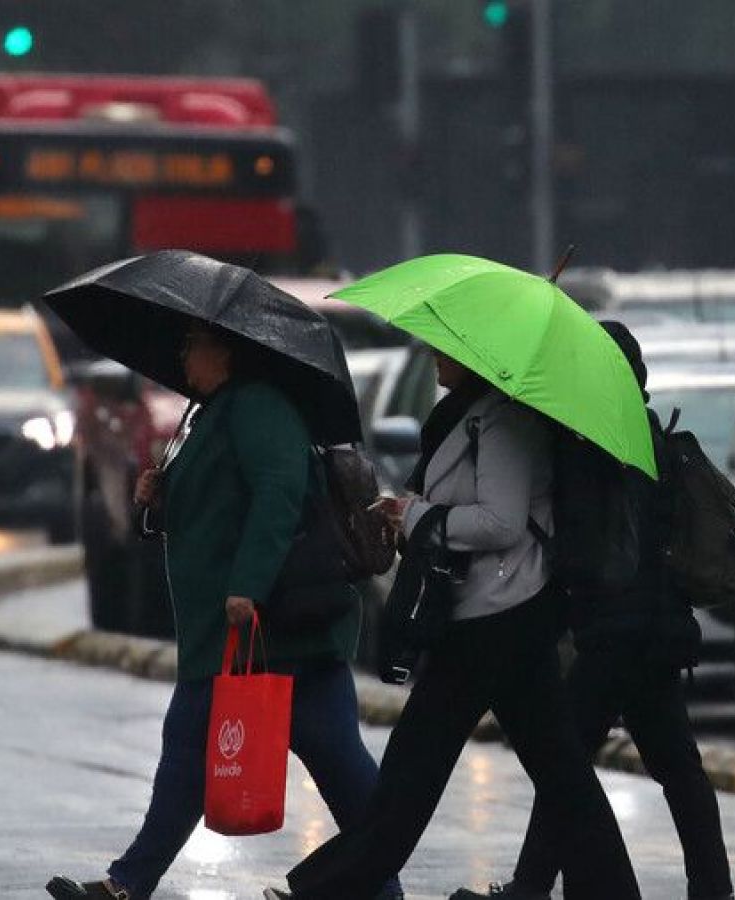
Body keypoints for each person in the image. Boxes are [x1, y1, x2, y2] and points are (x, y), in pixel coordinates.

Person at [268, 349, 641, 900]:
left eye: (446, 349)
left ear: (475, 356)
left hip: (493, 619)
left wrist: (416, 517)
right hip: (499, 615)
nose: (435, 356)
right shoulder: (471, 415)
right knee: (560, 774)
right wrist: (412, 513)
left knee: (413, 772)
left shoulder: (503, 421)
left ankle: (327, 891)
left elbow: (501, 521)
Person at [47, 325, 399, 900]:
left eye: (194, 345)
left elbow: (279, 493)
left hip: (268, 625)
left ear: (226, 352)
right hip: (246, 633)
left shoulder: (259, 408)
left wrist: (248, 586)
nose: (184, 355)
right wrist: (158, 498)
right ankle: (129, 882)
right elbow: (215, 502)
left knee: (312, 764)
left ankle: (128, 883)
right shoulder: (213, 411)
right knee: (322, 765)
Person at [456, 323, 733, 900]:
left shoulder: (590, 445)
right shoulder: (647, 434)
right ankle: (713, 889)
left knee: (566, 763)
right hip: (656, 627)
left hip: (613, 632)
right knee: (676, 769)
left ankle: (531, 886)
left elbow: (584, 546)